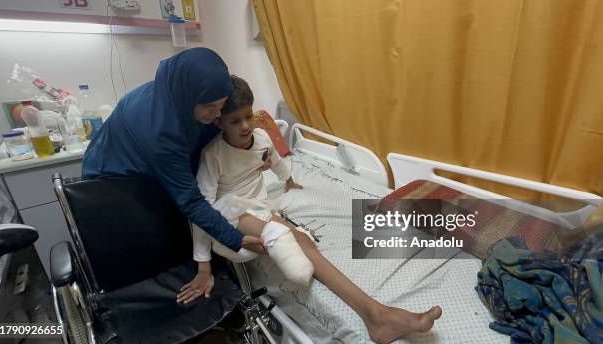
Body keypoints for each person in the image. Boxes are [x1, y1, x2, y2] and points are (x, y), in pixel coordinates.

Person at [177, 76, 443, 344]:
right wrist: (203, 266)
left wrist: (289, 180)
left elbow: (277, 160)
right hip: (227, 214)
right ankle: (375, 313)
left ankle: (375, 315)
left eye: (249, 116)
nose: (245, 126)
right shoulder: (213, 156)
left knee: (304, 241)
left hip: (258, 206)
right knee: (285, 237)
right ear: (218, 122)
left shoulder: (260, 138)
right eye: (235, 121)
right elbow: (200, 211)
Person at [82, 48, 264, 256]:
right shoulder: (161, 133)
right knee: (149, 243)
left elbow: (219, 134)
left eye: (221, 105)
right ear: (189, 97)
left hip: (150, 156)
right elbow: (192, 201)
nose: (217, 114)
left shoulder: (183, 93)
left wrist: (256, 154)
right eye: (210, 107)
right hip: (115, 178)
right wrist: (236, 238)